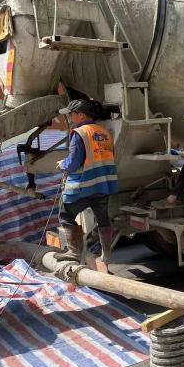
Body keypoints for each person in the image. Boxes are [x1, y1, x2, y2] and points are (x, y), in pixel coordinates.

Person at [54, 99, 119, 273]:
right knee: (103, 219)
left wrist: (63, 164)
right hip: (104, 185)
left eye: (71, 114)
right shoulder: (104, 132)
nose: (69, 117)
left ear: (80, 115)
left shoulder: (79, 133)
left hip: (85, 186)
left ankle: (73, 252)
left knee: (65, 214)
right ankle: (107, 255)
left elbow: (74, 162)